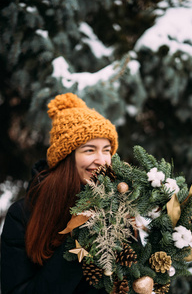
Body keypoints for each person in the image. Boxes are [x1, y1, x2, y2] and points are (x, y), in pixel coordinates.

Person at [1, 93, 118, 294]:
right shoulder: (23, 214)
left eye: (106, 150)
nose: (101, 160)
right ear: (66, 158)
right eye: (89, 150)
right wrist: (76, 247)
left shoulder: (120, 208)